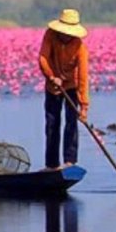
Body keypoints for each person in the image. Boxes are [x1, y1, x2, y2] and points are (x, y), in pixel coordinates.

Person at [38, 9, 89, 170]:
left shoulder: (79, 47)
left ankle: (69, 162)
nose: (67, 35)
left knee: (71, 123)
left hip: (71, 87)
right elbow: (43, 58)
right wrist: (51, 76)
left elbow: (83, 77)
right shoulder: (50, 35)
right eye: (64, 32)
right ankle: (51, 165)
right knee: (52, 124)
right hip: (52, 85)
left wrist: (84, 106)